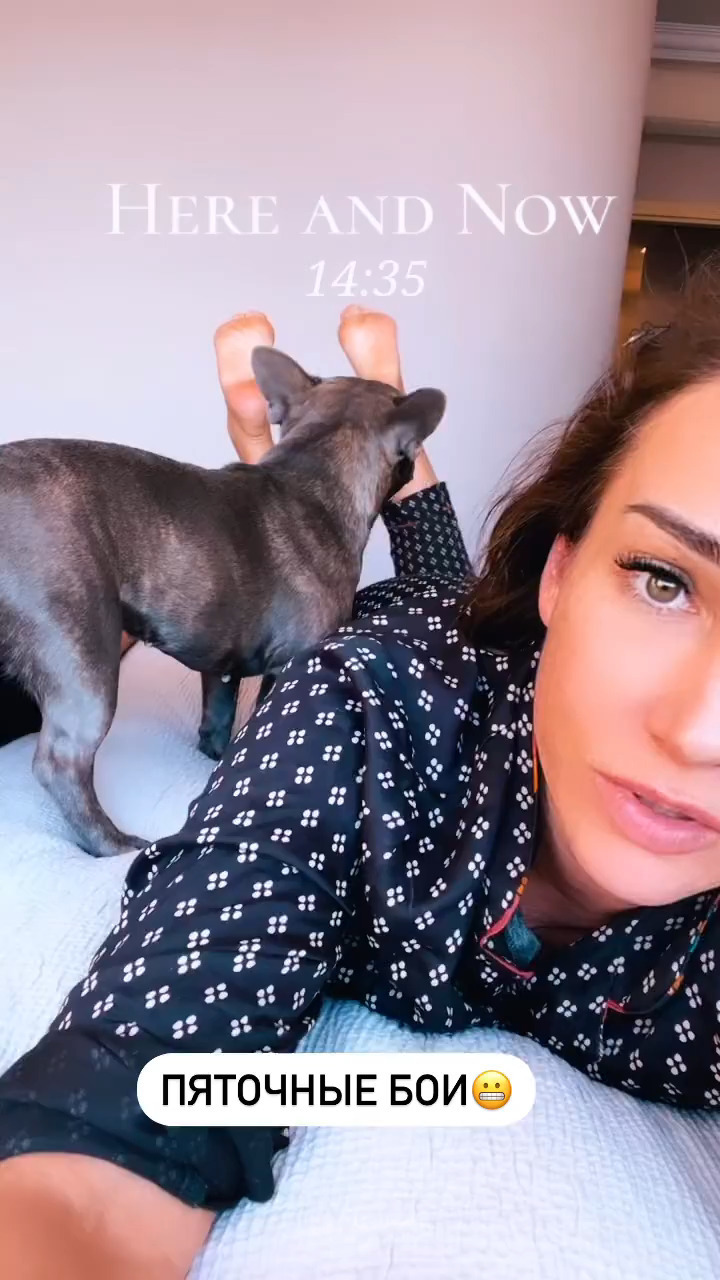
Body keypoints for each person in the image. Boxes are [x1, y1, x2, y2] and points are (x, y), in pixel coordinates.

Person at [2, 275, 720, 1277]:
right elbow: (122, 1107)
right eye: (663, 578)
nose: (698, 732)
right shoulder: (368, 701)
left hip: (467, 634)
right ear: (563, 573)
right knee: (441, 597)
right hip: (446, 651)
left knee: (443, 582)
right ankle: (321, 449)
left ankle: (325, 434)